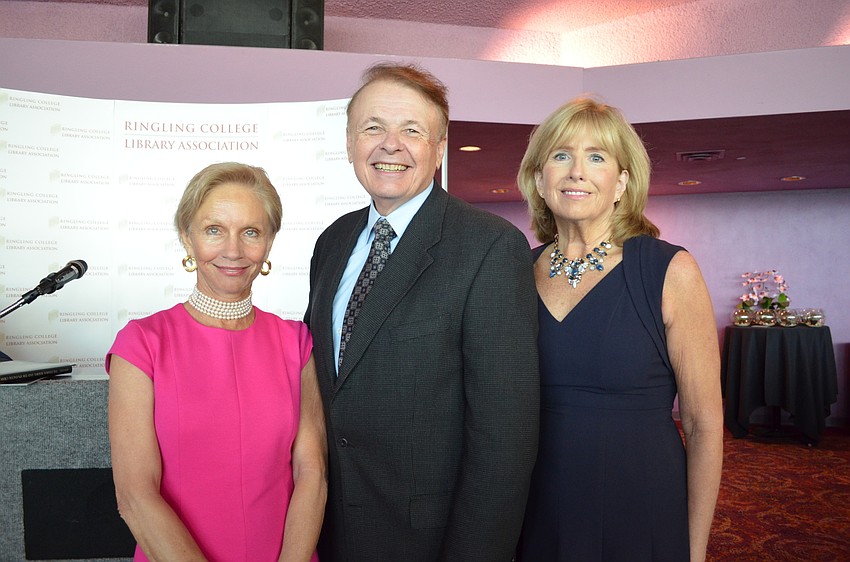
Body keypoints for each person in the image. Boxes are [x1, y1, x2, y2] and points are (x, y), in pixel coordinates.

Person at [303, 62, 540, 561]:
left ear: (439, 147)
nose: (391, 145)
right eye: (373, 128)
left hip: (428, 539)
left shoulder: (490, 247)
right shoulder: (332, 241)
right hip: (329, 528)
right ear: (349, 143)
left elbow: (505, 439)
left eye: (412, 130)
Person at [516, 98, 723, 562]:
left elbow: (704, 424)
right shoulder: (515, 274)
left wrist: (694, 550)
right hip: (538, 506)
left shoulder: (669, 270)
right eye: (561, 155)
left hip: (641, 504)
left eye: (596, 157)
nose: (576, 172)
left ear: (621, 182)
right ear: (538, 178)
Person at [106, 162, 327, 562]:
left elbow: (312, 474)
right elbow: (135, 496)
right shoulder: (141, 344)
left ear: (269, 243)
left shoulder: (296, 342)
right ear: (186, 238)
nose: (233, 250)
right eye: (214, 230)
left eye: (251, 232)